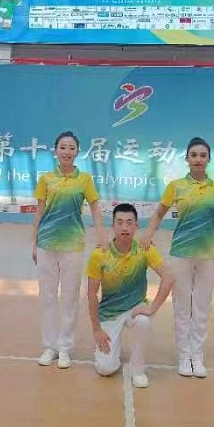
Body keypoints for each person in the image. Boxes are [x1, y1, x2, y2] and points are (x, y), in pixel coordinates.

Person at [141, 137, 214, 378]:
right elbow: (159, 214)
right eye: (194, 155)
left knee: (201, 308)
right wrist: (148, 234)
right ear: (187, 159)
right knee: (182, 307)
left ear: (208, 159)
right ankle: (183, 356)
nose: (198, 159)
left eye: (203, 155)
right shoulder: (176, 186)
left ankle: (197, 357)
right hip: (181, 254)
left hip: (207, 256)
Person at [32, 131, 107, 369]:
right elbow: (39, 212)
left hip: (73, 244)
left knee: (70, 297)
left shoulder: (84, 179)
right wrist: (34, 242)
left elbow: (95, 208)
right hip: (46, 243)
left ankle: (64, 347)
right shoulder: (46, 179)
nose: (66, 152)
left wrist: (102, 237)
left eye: (71, 148)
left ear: (77, 152)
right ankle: (49, 346)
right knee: (47, 296)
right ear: (56, 151)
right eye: (63, 147)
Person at [87, 203, 174, 388]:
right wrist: (96, 329)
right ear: (113, 226)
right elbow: (91, 294)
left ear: (136, 226)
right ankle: (112, 353)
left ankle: (137, 368)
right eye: (119, 222)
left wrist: (152, 308)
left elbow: (168, 277)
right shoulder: (99, 255)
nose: (124, 227)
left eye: (129, 222)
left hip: (135, 308)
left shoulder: (144, 249)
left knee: (143, 321)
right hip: (109, 313)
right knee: (105, 369)